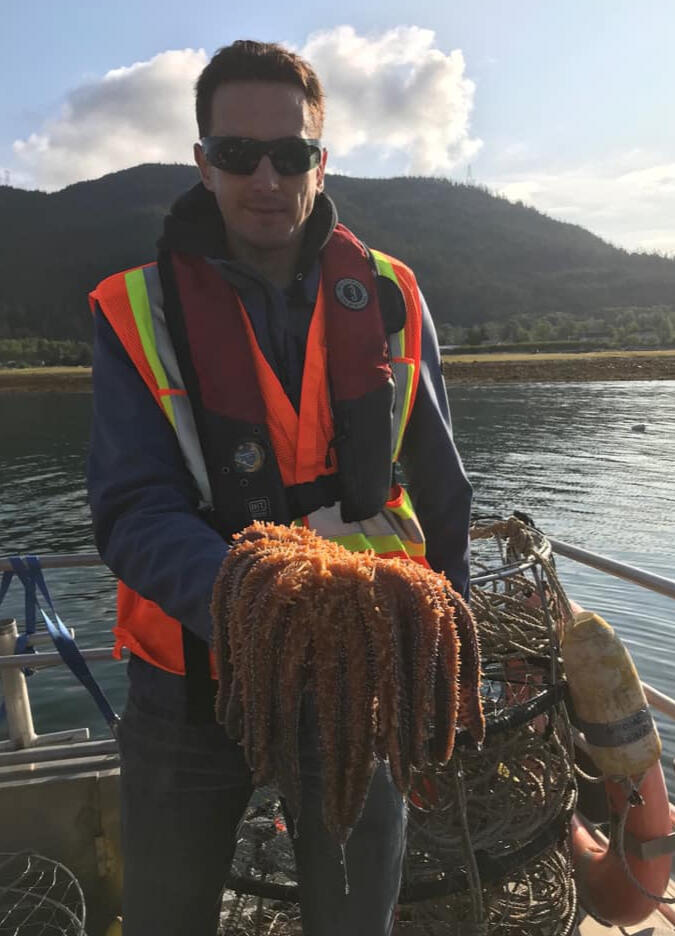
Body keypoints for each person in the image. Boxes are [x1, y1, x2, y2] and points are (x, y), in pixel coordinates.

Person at [87, 39, 472, 936]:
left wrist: (444, 658)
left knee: (353, 918)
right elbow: (131, 511)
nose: (266, 176)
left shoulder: (390, 293)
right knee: (166, 918)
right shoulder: (130, 309)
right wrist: (267, 601)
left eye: (290, 153)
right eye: (237, 154)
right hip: (187, 688)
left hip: (362, 675)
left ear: (320, 161)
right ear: (203, 164)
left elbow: (442, 486)